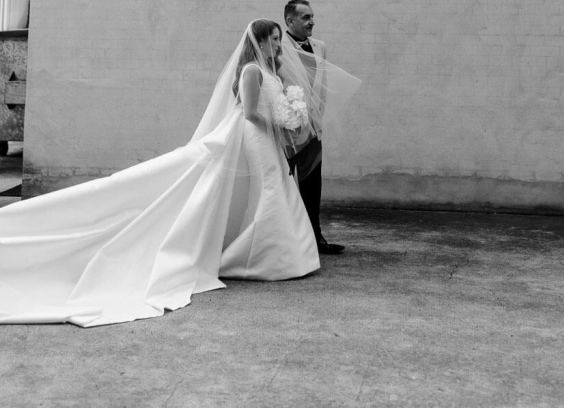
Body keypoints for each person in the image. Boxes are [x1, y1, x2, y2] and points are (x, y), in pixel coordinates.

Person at [0, 20, 325, 327]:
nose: (278, 44)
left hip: (267, 138)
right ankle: (270, 258)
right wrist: (280, 124)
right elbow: (251, 113)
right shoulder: (252, 70)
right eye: (274, 39)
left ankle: (270, 253)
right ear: (260, 41)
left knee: (273, 187)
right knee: (271, 187)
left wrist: (288, 120)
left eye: (279, 39)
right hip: (256, 136)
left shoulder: (270, 71)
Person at [281, 0, 344, 255]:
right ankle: (286, 242)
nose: (312, 22)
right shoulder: (277, 45)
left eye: (312, 17)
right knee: (283, 186)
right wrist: (286, 119)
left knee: (312, 186)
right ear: (290, 21)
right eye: (305, 17)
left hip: (312, 129)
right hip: (284, 130)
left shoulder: (320, 47)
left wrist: (317, 120)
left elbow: (321, 87)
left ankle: (315, 239)